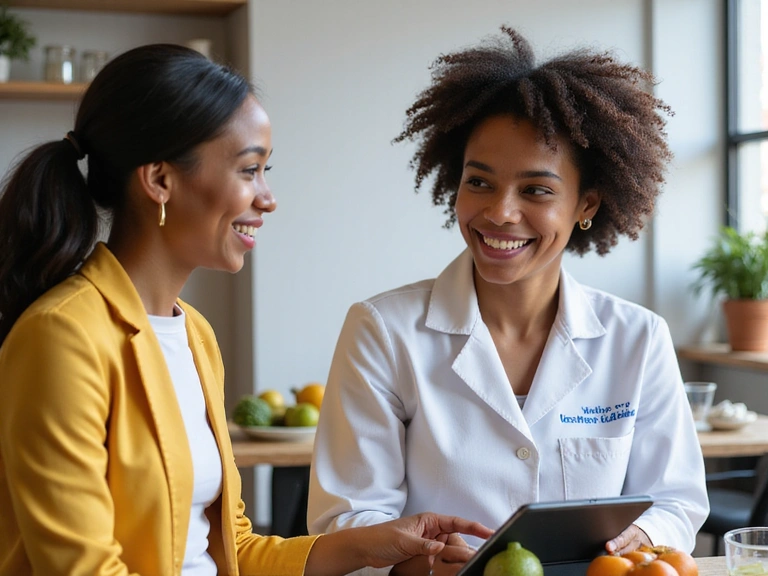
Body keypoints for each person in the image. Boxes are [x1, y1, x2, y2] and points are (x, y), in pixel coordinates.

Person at [0, 44, 493, 576]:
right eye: (249, 170)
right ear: (160, 180)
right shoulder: (62, 335)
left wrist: (372, 544)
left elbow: (233, 549)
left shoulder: (195, 336)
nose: (268, 198)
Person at [307, 26, 709, 576]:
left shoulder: (637, 337)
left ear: (585, 204)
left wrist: (640, 535)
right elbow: (345, 519)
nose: (499, 212)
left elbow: (677, 500)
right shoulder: (383, 329)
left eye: (537, 190)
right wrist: (419, 564)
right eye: (479, 182)